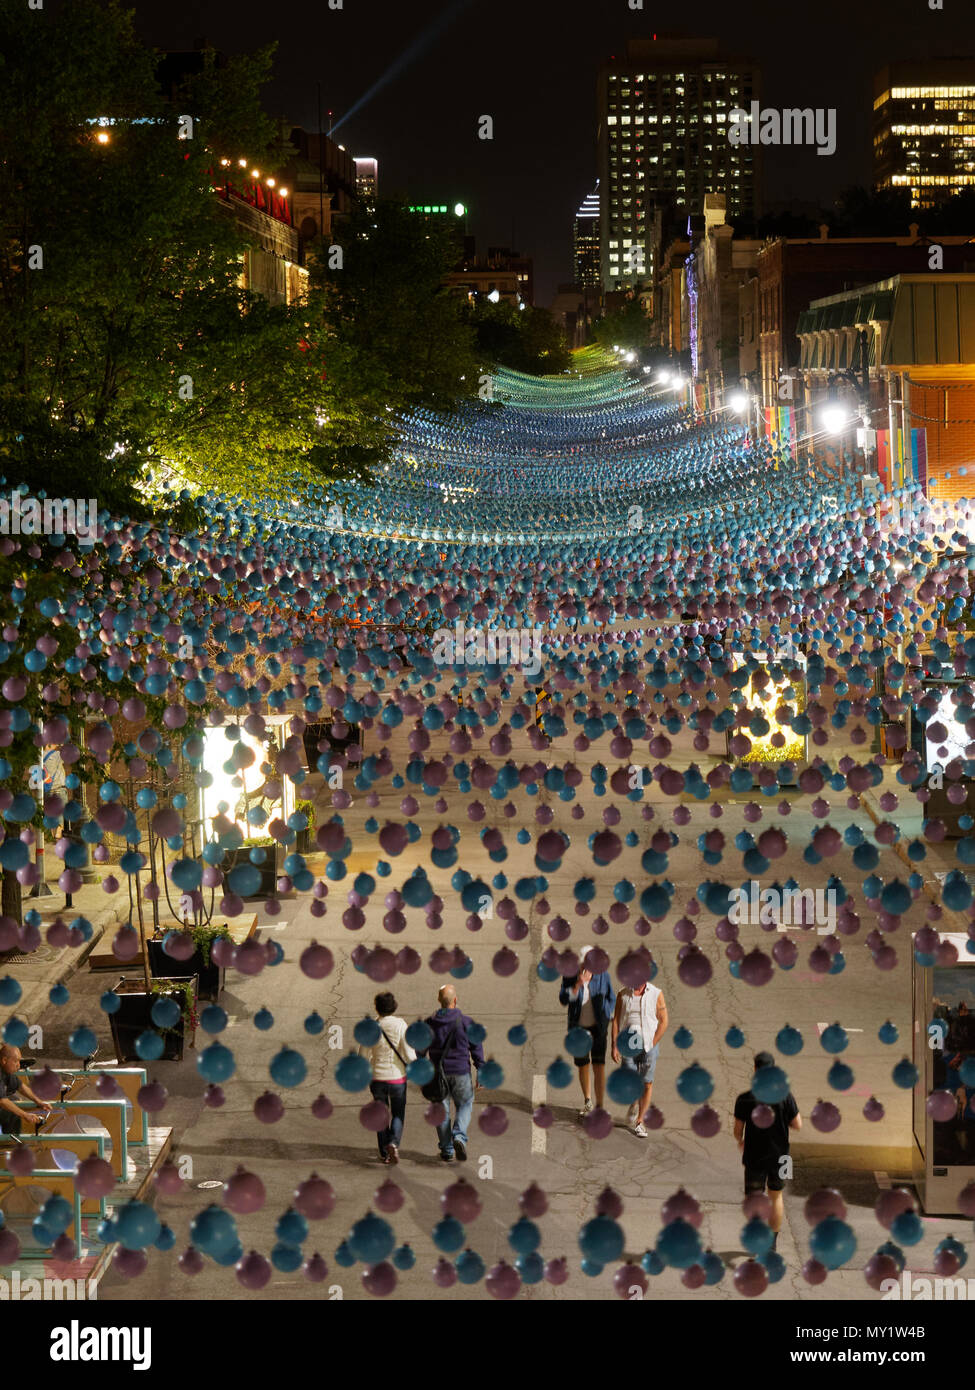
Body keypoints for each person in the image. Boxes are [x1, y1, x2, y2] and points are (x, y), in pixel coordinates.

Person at [733, 1052, 801, 1249]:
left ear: (755, 1069)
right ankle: (772, 1242)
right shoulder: (786, 1096)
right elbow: (798, 1124)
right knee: (776, 1196)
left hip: (755, 1156)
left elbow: (737, 1131)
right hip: (782, 1157)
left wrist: (741, 1141)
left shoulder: (745, 1099)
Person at [424, 985, 484, 1163]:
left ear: (439, 1001)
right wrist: (481, 1068)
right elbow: (476, 1048)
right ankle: (459, 1136)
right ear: (455, 1000)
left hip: (437, 1074)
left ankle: (447, 1150)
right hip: (461, 1073)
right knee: (465, 1104)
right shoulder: (466, 1022)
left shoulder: (429, 1023)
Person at [358, 992, 416, 1164]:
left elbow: (362, 1056)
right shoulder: (400, 1025)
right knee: (398, 1113)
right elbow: (409, 1054)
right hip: (397, 1078)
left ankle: (384, 1152)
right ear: (394, 1006)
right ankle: (393, 1143)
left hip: (377, 1078)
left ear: (377, 1008)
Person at [611, 978, 668, 1137]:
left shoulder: (656, 994)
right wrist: (614, 1045)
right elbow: (616, 1020)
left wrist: (653, 1042)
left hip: (649, 1045)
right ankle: (634, 1101)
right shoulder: (623, 994)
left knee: (647, 1083)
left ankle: (640, 1122)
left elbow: (664, 1021)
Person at [559, 957, 615, 1118]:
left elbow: (611, 998)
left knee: (598, 1066)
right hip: (578, 1030)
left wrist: (607, 1015)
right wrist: (578, 984)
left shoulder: (603, 976)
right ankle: (588, 1101)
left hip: (598, 1029)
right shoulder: (570, 977)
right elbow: (563, 999)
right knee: (583, 1065)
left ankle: (600, 1105)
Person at [0, 1044, 53, 1136]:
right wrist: (25, 1115)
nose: (18, 1065)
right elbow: (2, 1101)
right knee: (12, 1112)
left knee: (14, 1101)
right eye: (16, 1061)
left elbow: (21, 1087)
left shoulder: (6, 1071)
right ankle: (11, 1143)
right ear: (4, 1060)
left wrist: (39, 1102)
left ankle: (11, 1140)